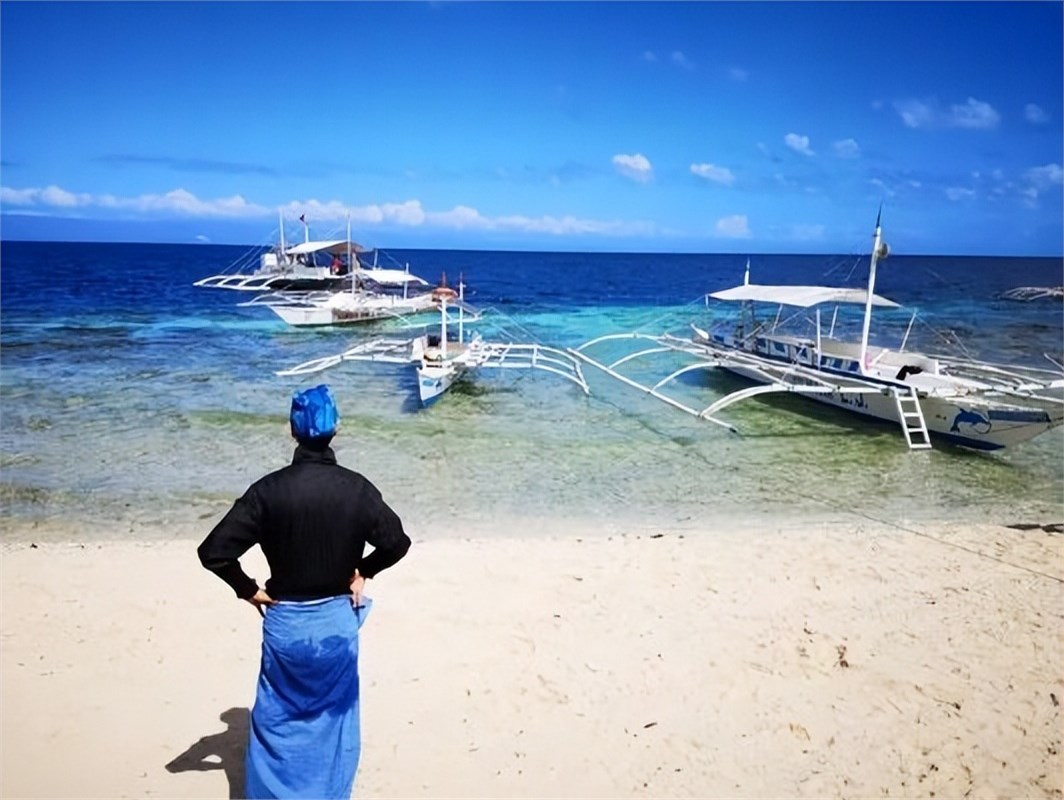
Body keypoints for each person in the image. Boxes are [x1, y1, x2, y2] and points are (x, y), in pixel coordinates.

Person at [197, 384, 411, 799]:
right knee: (334, 723)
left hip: (287, 625)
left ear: (292, 431)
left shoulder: (267, 491)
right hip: (335, 626)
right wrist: (364, 572)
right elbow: (397, 543)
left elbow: (214, 553)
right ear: (337, 428)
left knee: (275, 722)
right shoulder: (357, 488)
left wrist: (249, 590)